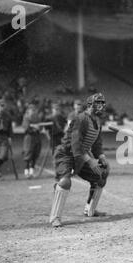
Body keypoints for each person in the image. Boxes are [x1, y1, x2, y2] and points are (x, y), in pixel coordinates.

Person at [49, 93, 110, 227]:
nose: (100, 106)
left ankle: (90, 209)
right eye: (97, 103)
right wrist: (90, 160)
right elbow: (75, 145)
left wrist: (101, 157)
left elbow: (97, 144)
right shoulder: (80, 119)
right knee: (65, 182)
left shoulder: (97, 122)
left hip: (81, 157)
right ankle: (55, 217)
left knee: (101, 174)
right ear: (90, 105)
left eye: (102, 103)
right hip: (66, 155)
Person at [22, 104, 42, 179]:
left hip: (37, 137)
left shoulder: (37, 118)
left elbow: (40, 127)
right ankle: (26, 171)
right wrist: (33, 127)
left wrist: (38, 128)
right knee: (28, 154)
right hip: (29, 137)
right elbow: (26, 128)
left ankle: (31, 171)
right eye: (32, 110)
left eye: (34, 110)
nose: (33, 111)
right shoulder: (26, 117)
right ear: (29, 110)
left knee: (35, 154)